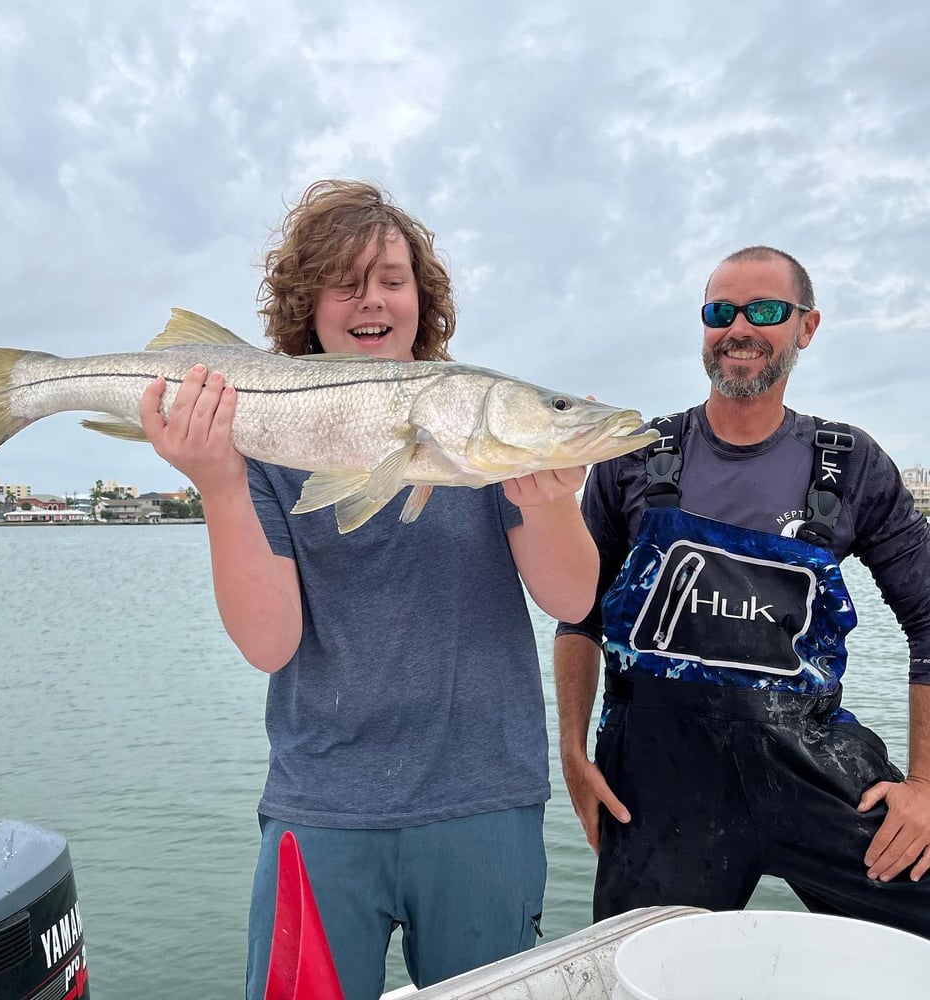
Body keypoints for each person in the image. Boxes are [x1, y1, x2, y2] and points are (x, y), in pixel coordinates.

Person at [138, 179, 601, 1000]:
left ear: (423, 299)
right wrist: (219, 485)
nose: (371, 301)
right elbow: (268, 643)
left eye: (391, 279)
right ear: (305, 306)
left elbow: (570, 599)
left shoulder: (478, 418)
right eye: (343, 283)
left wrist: (555, 496)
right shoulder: (260, 440)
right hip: (320, 806)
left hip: (483, 797)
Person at [554, 245, 930, 937]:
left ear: (806, 327)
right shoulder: (631, 457)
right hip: (658, 791)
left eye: (764, 311)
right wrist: (573, 755)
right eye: (720, 311)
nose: (739, 328)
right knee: (633, 967)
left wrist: (926, 788)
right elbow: (578, 618)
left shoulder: (851, 465)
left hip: (813, 770)